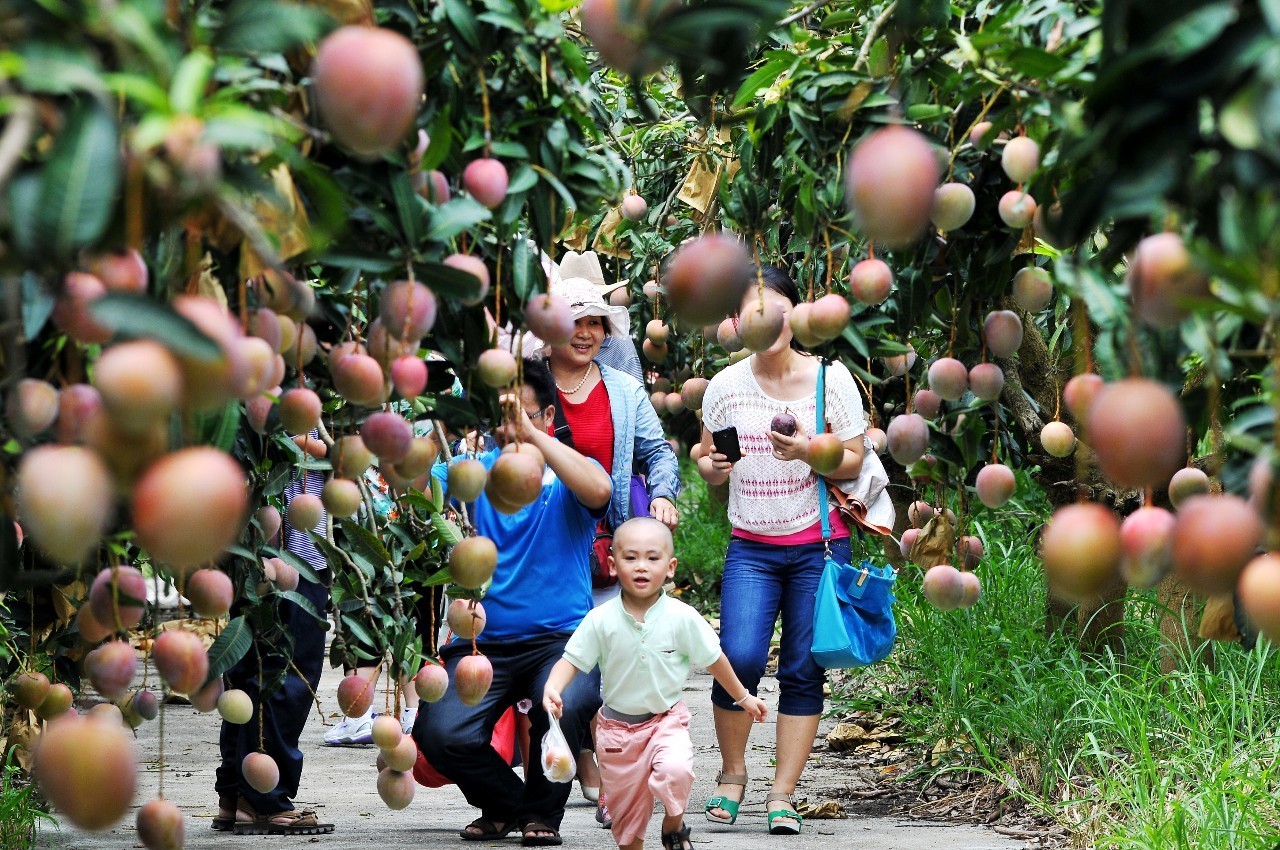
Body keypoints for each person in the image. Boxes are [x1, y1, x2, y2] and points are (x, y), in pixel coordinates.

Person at [696, 265, 872, 836]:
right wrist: (712, 466)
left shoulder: (831, 380)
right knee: (739, 658)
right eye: (752, 305)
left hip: (819, 546)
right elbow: (707, 463)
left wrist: (806, 453)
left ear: (797, 315)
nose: (766, 316)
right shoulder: (725, 387)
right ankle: (731, 774)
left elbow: (853, 460)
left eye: (776, 304)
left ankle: (783, 793)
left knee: (802, 668)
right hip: (751, 543)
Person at [415, 358, 612, 847]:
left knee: (565, 707)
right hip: (480, 642)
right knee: (440, 735)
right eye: (501, 418)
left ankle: (542, 816)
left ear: (549, 417)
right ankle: (509, 805)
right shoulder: (470, 476)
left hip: (560, 644)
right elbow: (411, 483)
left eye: (522, 417)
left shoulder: (569, 475)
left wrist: (533, 437)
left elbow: (601, 490)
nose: (511, 429)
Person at [533, 274, 682, 822]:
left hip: (602, 546)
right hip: (543, 545)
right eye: (575, 321)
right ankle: (585, 757)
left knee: (611, 663)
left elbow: (658, 453)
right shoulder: (530, 387)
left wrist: (663, 495)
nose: (587, 332)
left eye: (596, 322)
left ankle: (609, 767)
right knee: (561, 660)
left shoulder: (622, 388)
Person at [542, 517, 767, 850]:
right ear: (612, 564)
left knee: (675, 773)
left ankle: (673, 826)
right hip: (616, 733)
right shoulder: (600, 619)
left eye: (652, 557)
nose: (641, 566)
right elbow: (572, 660)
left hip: (666, 722)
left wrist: (743, 697)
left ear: (671, 566)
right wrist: (553, 687)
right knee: (628, 827)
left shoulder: (682, 617)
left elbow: (714, 659)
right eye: (630, 558)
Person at [214, 463, 335, 835]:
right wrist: (329, 450)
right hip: (287, 564)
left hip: (249, 560)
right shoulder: (300, 412)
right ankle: (265, 800)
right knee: (283, 677)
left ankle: (236, 796)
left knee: (249, 675)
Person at [557, 250, 644, 382]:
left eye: (593, 322)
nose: (584, 334)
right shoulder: (542, 344)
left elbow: (635, 397)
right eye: (574, 320)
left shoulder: (620, 345)